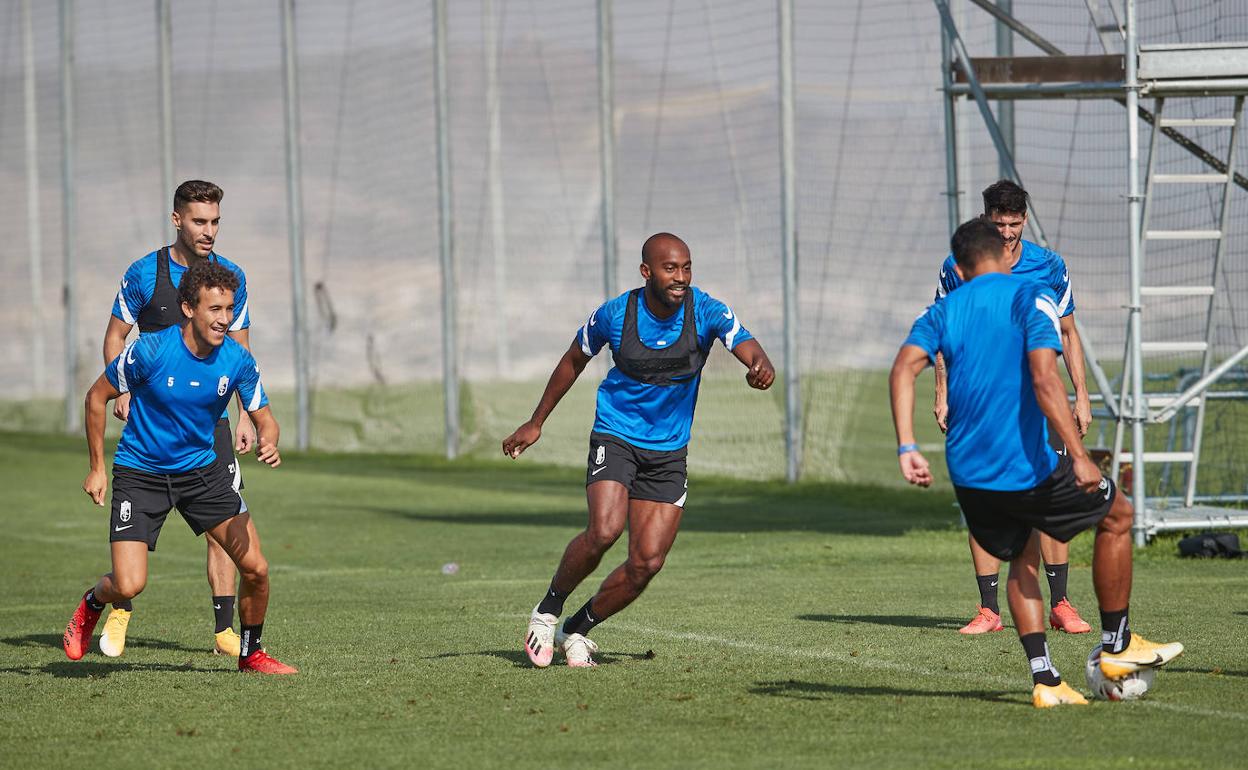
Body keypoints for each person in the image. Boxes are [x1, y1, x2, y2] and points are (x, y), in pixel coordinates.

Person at [890, 218, 1180, 707]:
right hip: (1023, 464)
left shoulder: (942, 310)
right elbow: (1047, 381)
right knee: (1118, 515)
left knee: (1021, 556)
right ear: (1005, 256)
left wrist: (907, 446)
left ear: (959, 268)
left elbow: (903, 369)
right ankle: (1118, 644)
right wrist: (1082, 457)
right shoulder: (1030, 298)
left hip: (969, 473)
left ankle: (1046, 682)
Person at [503, 232, 775, 668]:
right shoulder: (616, 315)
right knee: (605, 530)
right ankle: (548, 609)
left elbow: (745, 342)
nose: (680, 277)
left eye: (686, 267)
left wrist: (759, 366)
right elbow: (573, 361)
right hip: (617, 435)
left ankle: (578, 628)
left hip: (669, 452)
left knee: (646, 562)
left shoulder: (705, 310)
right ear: (647, 271)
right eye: (670, 268)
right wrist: (536, 421)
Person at [63, 261, 296, 675]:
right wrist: (97, 467)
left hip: (202, 475)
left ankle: (251, 654)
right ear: (188, 308)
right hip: (141, 474)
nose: (225, 319)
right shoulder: (150, 350)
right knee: (129, 584)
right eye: (214, 310)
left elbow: (265, 415)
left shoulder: (237, 360)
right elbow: (95, 397)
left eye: (228, 309)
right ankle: (93, 602)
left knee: (257, 569)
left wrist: (269, 438)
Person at [98, 180, 254, 658]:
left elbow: (240, 350)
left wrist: (245, 414)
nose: (208, 231)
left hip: (209, 425)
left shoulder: (231, 276)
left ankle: (226, 631)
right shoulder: (145, 273)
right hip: (153, 425)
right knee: (138, 542)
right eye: (199, 221)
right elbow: (115, 338)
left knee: (222, 527)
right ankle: (121, 609)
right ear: (177, 220)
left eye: (215, 222)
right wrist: (122, 390)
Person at [933, 180, 1093, 635]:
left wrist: (1080, 395)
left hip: (1041, 396)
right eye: (998, 223)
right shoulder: (959, 266)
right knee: (982, 494)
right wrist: (942, 391)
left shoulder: (1049, 265)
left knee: (1051, 493)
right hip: (980, 395)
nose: (1006, 232)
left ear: (1025, 220)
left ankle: (1060, 603)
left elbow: (1067, 333)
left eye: (1014, 224)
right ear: (985, 218)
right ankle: (988, 609)